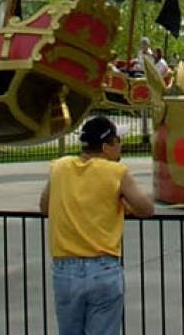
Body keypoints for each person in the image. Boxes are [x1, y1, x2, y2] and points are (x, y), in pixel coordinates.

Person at [39, 115, 155, 335]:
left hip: (65, 269)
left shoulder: (60, 167)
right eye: (117, 141)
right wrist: (122, 203)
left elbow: (45, 207)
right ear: (105, 147)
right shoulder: (116, 172)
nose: (120, 146)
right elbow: (146, 209)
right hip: (103, 268)